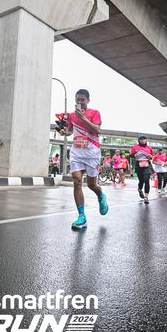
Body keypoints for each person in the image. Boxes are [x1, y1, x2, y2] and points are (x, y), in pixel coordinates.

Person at [63, 89, 108, 229]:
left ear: (88, 100)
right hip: (77, 152)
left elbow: (97, 130)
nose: (80, 102)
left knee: (91, 184)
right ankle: (81, 216)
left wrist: (83, 118)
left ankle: (101, 196)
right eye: (77, 100)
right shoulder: (71, 115)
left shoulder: (95, 113)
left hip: (92, 153)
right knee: (77, 181)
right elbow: (70, 131)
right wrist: (64, 131)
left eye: (82, 100)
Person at [130, 136, 154, 204]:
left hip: (147, 164)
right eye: (141, 139)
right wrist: (134, 155)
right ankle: (140, 189)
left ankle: (146, 197)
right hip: (139, 164)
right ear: (139, 140)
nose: (143, 140)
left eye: (144, 139)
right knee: (141, 181)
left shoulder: (149, 148)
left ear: (146, 140)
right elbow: (131, 155)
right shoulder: (135, 147)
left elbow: (152, 156)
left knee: (147, 180)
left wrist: (150, 156)